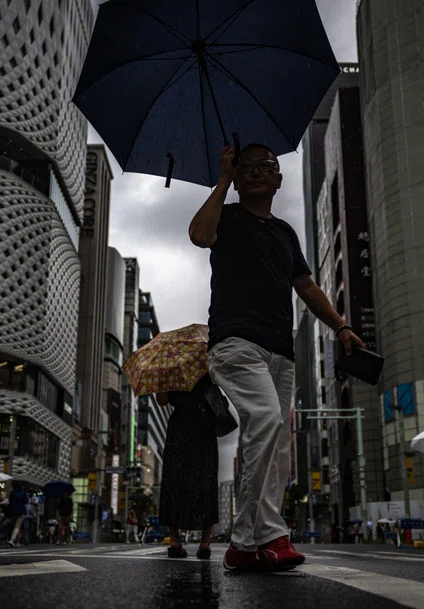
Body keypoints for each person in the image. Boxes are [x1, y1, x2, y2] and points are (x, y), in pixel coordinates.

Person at [189, 142, 365, 572]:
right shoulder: (227, 217)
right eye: (246, 166)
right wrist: (222, 180)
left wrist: (340, 326)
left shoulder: (286, 232)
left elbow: (306, 287)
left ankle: (246, 545)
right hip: (235, 342)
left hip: (280, 351)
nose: (255, 172)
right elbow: (199, 236)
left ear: (278, 179)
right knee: (266, 420)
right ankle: (265, 536)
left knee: (278, 447)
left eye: (265, 166)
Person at [156, 374, 220, 560]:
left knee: (174, 480)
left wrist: (163, 380)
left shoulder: (170, 368)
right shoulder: (206, 363)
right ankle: (205, 542)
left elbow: (161, 401)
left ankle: (175, 540)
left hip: (179, 427)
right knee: (206, 479)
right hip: (204, 425)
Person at [7, 483, 29, 547]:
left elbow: (10, 501)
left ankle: (17, 541)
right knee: (17, 526)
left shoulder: (12, 493)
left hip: (13, 511)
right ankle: (12, 540)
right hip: (21, 511)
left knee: (14, 526)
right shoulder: (23, 493)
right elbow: (26, 501)